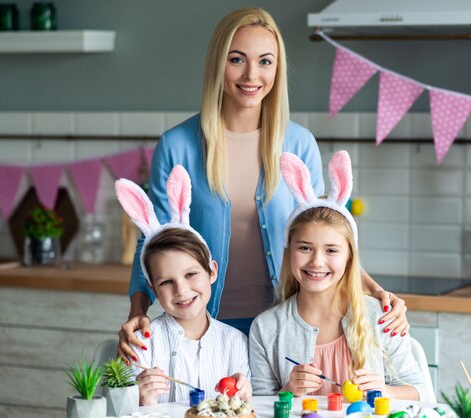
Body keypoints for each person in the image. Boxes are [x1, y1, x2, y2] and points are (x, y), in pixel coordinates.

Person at [118, 7, 409, 361]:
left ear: (277, 69)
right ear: (217, 64)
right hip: (202, 331)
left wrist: (378, 292)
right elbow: (152, 240)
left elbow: (327, 237)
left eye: (265, 62)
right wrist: (138, 310)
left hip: (283, 331)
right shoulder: (177, 145)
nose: (252, 75)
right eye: (237, 59)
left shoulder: (299, 144)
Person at [249, 151, 427, 401]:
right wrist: (287, 391)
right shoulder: (266, 328)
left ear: (349, 257)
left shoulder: (380, 317)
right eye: (304, 248)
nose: (317, 262)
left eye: (331, 250)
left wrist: (385, 391)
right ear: (289, 253)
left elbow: (421, 393)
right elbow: (257, 405)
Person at [115, 166, 251, 406]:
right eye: (167, 282)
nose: (181, 290)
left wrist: (243, 396)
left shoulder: (235, 343)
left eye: (191, 274)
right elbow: (118, 408)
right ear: (152, 287)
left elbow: (244, 408)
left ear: (212, 271)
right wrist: (140, 399)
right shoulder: (141, 345)